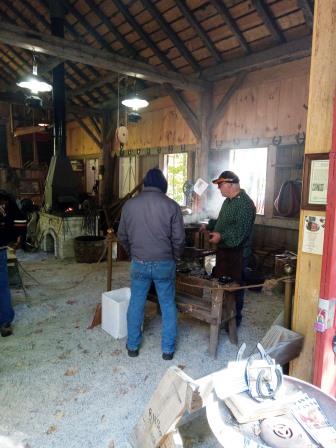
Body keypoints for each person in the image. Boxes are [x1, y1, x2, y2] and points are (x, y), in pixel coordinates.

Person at [117, 168, 185, 360]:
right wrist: (175, 257)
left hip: (139, 262)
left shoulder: (129, 205)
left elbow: (122, 236)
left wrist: (133, 254)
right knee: (168, 304)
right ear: (163, 185)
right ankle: (168, 350)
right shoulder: (172, 206)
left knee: (136, 303)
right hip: (165, 264)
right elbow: (179, 240)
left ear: (145, 184)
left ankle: (132, 347)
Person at [200, 171, 256, 326]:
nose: (219, 188)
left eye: (220, 185)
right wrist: (209, 225)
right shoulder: (228, 202)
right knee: (220, 285)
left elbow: (240, 231)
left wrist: (221, 236)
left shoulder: (245, 204)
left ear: (231, 184)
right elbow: (222, 222)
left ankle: (233, 321)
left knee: (234, 288)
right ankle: (219, 315)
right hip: (224, 252)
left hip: (238, 254)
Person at [0, 190, 27, 337]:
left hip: (0, 250)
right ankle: (5, 322)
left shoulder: (7, 206)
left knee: (2, 285)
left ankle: (4, 322)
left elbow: (20, 220)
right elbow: (20, 221)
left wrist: (16, 240)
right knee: (2, 286)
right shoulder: (7, 205)